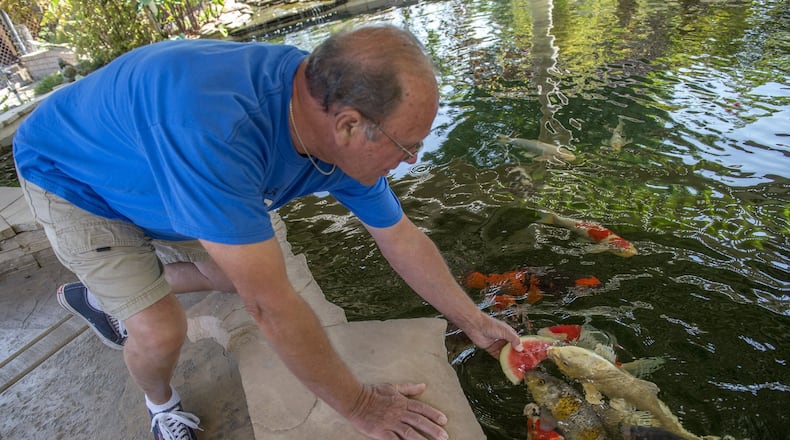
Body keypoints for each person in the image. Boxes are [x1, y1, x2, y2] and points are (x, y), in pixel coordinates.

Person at [13, 24, 523, 440]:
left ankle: (105, 295)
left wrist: (473, 321)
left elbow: (400, 236)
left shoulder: (330, 105)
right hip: (75, 180)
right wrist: (361, 405)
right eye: (405, 147)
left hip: (169, 176)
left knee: (232, 276)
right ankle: (161, 402)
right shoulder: (220, 132)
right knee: (158, 328)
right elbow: (270, 306)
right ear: (347, 126)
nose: (409, 161)